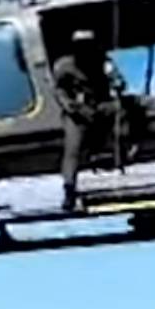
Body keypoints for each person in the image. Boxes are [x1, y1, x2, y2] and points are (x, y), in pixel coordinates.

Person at [50, 29, 119, 211]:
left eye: (89, 45)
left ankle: (117, 158)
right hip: (78, 111)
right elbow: (59, 90)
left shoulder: (104, 62)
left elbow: (118, 81)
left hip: (102, 106)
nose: (86, 50)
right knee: (73, 148)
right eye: (81, 46)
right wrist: (71, 106)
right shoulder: (64, 65)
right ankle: (69, 189)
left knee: (122, 117)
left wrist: (115, 80)